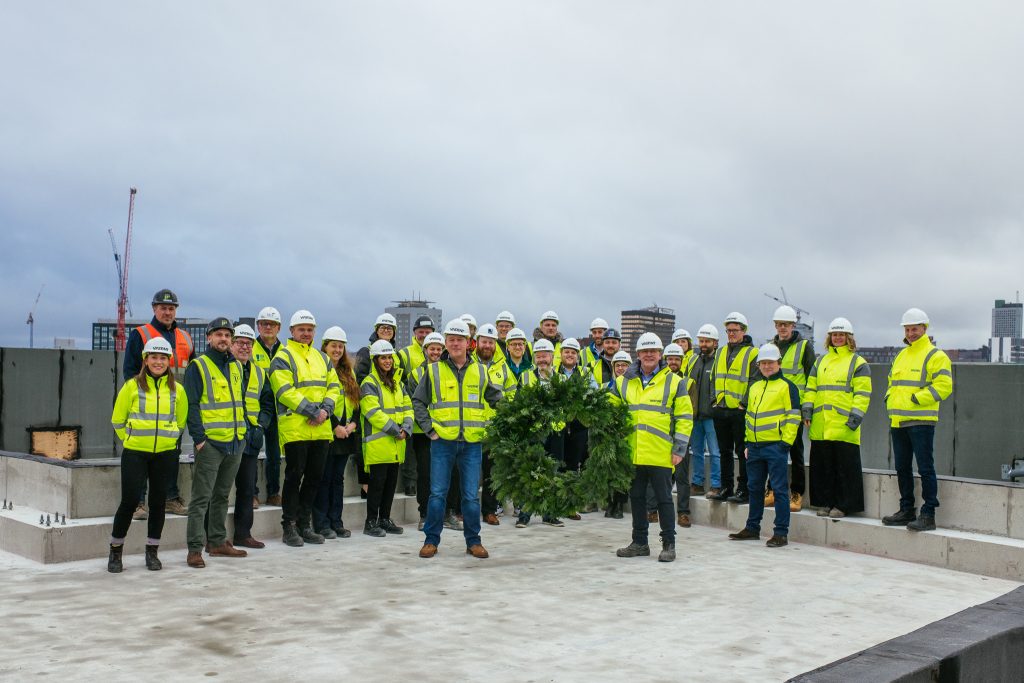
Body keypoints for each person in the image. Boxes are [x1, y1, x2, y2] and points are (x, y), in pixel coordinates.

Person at [412, 319, 501, 558]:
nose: (455, 343)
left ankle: (473, 541)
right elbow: (418, 401)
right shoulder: (433, 371)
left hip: (472, 443)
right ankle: (431, 541)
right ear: (445, 343)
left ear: (468, 343)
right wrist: (429, 428)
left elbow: (497, 400)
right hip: (442, 442)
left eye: (459, 339)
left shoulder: (481, 371)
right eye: (450, 339)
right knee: (437, 494)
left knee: (471, 497)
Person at [107, 337, 188, 573]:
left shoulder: (178, 390)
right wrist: (130, 440)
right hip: (135, 454)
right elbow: (117, 420)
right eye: (154, 357)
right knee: (130, 501)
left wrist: (171, 439)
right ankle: (115, 551)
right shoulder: (131, 386)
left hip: (164, 455)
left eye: (163, 358)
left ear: (169, 361)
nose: (158, 362)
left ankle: (152, 552)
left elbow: (180, 420)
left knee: (158, 503)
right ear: (145, 359)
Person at [612, 333, 693, 563]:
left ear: (661, 355)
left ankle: (669, 544)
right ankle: (639, 542)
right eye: (645, 351)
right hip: (633, 451)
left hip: (661, 453)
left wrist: (679, 449)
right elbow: (611, 411)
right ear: (638, 355)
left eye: (654, 351)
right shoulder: (622, 381)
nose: (649, 355)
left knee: (664, 499)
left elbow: (685, 417)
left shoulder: (675, 382)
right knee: (636, 498)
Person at [269, 310, 341, 547]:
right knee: (293, 477)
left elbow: (334, 387)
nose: (306, 333)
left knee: (314, 478)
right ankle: (288, 525)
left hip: (320, 429)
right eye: (301, 329)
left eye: (310, 329)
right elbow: (284, 390)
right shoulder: (283, 356)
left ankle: (304, 524)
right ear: (292, 331)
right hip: (296, 429)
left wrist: (326, 410)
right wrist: (313, 411)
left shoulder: (322, 358)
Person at [122, 288, 195, 519]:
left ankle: (170, 498)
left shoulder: (185, 337)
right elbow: (130, 373)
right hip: (146, 407)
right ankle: (138, 503)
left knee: (170, 455)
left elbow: (192, 372)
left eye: (171, 308)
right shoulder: (141, 334)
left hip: (173, 407)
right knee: (141, 455)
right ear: (154, 309)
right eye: (163, 308)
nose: (167, 312)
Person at [183, 317, 250, 568]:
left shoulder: (236, 366)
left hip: (234, 441)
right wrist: (199, 440)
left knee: (222, 495)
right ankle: (194, 549)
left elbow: (239, 402)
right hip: (210, 443)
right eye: (218, 334)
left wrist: (242, 434)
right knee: (201, 498)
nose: (223, 339)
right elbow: (190, 405)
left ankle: (217, 542)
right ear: (208, 338)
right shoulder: (198, 366)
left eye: (227, 335)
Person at [881, 308, 953, 532]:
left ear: (925, 328)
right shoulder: (902, 355)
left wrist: (915, 398)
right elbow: (892, 383)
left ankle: (928, 513)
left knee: (925, 468)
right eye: (908, 329)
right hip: (898, 420)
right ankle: (907, 510)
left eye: (915, 329)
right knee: (902, 467)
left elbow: (944, 386)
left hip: (921, 421)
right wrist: (889, 399)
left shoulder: (936, 356)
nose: (911, 333)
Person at [728, 344, 800, 548]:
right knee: (754, 488)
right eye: (763, 363)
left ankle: (781, 533)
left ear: (779, 363)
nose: (766, 366)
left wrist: (785, 443)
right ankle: (752, 528)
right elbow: (749, 417)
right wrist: (748, 443)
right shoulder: (754, 387)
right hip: (755, 447)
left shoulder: (788, 387)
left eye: (770, 362)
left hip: (776, 447)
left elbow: (794, 417)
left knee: (779, 490)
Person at [803, 318, 871, 518]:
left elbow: (863, 394)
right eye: (835, 335)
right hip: (821, 424)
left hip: (844, 425)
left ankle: (843, 505)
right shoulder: (820, 361)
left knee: (845, 468)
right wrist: (807, 410)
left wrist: (855, 418)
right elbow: (811, 389)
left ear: (849, 338)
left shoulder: (858, 363)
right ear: (830, 338)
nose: (838, 338)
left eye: (841, 335)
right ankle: (824, 503)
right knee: (822, 467)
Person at [359, 340, 414, 537]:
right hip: (379, 443)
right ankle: (371, 522)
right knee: (377, 486)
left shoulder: (398, 384)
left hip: (396, 443)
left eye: (390, 357)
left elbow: (408, 407)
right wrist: (395, 430)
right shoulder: (369, 383)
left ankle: (385, 518)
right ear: (375, 360)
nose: (388, 361)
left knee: (390, 485)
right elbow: (372, 411)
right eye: (383, 357)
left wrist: (406, 428)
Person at [766, 305, 816, 512]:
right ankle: (773, 491)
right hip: (775, 407)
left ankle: (796, 493)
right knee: (774, 452)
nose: (782, 328)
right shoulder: (770, 346)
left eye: (785, 325)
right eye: (779, 325)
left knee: (795, 451)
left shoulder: (804, 347)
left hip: (794, 408)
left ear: (793, 325)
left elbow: (812, 380)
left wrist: (807, 409)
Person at [229, 325, 275, 550]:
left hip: (251, 439)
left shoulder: (259, 372)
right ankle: (213, 536)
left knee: (247, 489)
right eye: (239, 342)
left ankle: (243, 534)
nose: (244, 346)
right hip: (227, 439)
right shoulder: (224, 368)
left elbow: (267, 403)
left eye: (248, 343)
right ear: (231, 344)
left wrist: (260, 426)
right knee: (218, 490)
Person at [515, 339, 569, 527]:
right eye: (538, 356)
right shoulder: (525, 377)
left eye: (545, 356)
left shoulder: (562, 379)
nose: (542, 359)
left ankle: (550, 514)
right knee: (531, 472)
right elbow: (519, 404)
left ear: (552, 357)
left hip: (555, 432)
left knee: (553, 473)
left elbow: (568, 406)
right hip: (534, 433)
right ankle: (525, 514)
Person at [313, 326, 360, 539]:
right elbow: (319, 400)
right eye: (334, 345)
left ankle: (336, 521)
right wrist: (334, 426)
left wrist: (352, 425)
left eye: (341, 346)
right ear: (325, 346)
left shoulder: (347, 371)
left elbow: (356, 402)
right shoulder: (318, 368)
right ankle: (322, 523)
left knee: (337, 480)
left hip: (345, 434)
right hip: (327, 432)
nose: (338, 350)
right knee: (324, 478)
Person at [713, 312, 760, 504]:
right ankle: (726, 487)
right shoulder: (720, 351)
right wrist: (713, 401)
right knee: (724, 451)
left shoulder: (753, 353)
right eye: (729, 330)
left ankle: (743, 489)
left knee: (742, 452)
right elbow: (713, 377)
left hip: (739, 411)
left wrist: (744, 404)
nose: (731, 334)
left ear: (744, 331)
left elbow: (754, 381)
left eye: (735, 330)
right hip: (721, 408)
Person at [475, 324, 518, 526]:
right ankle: (461, 511)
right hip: (470, 428)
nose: (487, 345)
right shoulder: (468, 363)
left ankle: (489, 511)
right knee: (467, 474)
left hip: (493, 429)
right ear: (477, 342)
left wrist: (506, 415)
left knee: (492, 474)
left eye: (491, 342)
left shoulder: (502, 367)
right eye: (484, 341)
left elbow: (512, 392)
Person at [407, 332, 446, 529]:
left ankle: (446, 514)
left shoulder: (448, 371)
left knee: (448, 474)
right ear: (425, 350)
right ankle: (424, 514)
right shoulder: (415, 374)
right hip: (423, 433)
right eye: (432, 349)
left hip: (446, 431)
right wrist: (429, 428)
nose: (436, 352)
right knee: (425, 474)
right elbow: (415, 404)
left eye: (439, 349)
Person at [657, 343, 693, 528]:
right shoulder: (658, 381)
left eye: (676, 359)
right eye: (670, 359)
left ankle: (683, 513)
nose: (672, 362)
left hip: (679, 435)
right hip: (660, 435)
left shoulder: (688, 383)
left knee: (681, 476)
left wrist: (683, 438)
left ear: (682, 361)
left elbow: (688, 413)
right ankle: (652, 510)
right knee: (658, 477)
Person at [397, 315, 435, 496]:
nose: (424, 335)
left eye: (428, 332)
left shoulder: (439, 354)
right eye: (421, 332)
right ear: (414, 333)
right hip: (411, 411)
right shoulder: (405, 353)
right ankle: (410, 483)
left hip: (432, 419)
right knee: (410, 454)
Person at [252, 306, 284, 506]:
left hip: (278, 410)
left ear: (278, 327)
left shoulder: (285, 351)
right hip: (255, 409)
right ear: (258, 326)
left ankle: (274, 493)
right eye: (264, 324)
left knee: (274, 455)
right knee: (252, 453)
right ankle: (252, 494)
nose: (268, 328)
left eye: (271, 324)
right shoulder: (250, 347)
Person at [689, 325, 723, 500]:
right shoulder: (694, 361)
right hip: (696, 416)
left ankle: (716, 485)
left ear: (715, 343)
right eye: (701, 340)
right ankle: (698, 483)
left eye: (707, 341)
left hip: (712, 416)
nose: (703, 344)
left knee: (715, 452)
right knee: (697, 452)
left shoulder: (719, 361)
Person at [355, 313, 398, 383]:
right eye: (383, 328)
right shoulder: (365, 352)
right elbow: (360, 380)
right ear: (377, 330)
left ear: (394, 332)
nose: (386, 330)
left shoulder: (397, 355)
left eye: (389, 328)